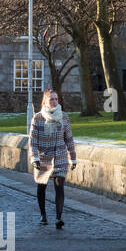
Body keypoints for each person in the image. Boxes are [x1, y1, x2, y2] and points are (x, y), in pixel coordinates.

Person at [28, 89, 77, 229]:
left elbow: (69, 139)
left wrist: (73, 157)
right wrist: (34, 158)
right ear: (45, 102)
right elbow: (33, 141)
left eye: (56, 99)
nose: (54, 102)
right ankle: (43, 215)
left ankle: (58, 217)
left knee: (59, 185)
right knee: (41, 186)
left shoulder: (64, 117)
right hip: (43, 157)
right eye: (51, 99)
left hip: (60, 157)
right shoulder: (37, 118)